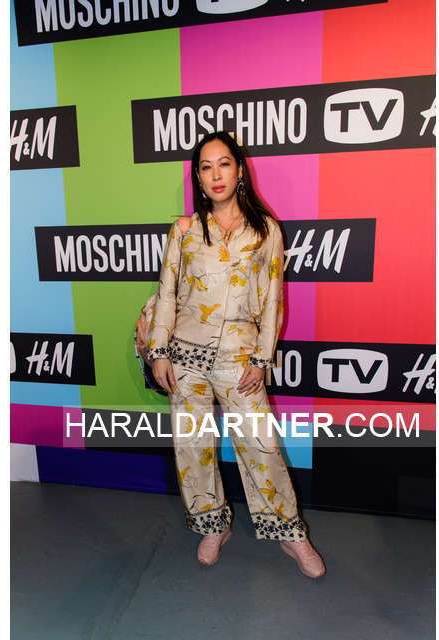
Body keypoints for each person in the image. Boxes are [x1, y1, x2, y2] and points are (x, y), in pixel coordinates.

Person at [140, 131, 325, 579]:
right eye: (206, 167)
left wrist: (261, 359)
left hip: (238, 360)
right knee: (193, 447)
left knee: (261, 446)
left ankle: (290, 533)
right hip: (184, 358)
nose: (216, 174)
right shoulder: (184, 230)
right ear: (198, 177)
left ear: (239, 170)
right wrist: (159, 351)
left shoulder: (265, 231)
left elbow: (274, 299)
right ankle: (213, 526)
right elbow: (168, 294)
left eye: (223, 163)